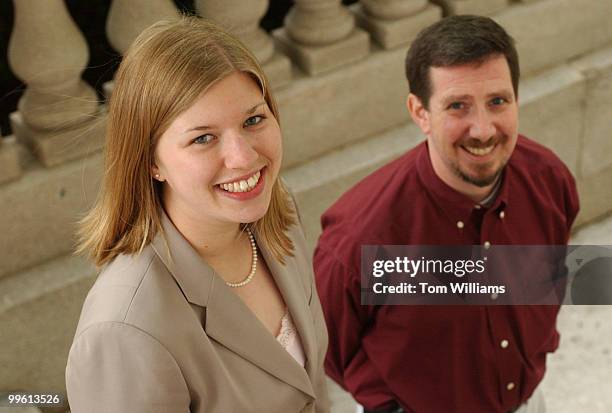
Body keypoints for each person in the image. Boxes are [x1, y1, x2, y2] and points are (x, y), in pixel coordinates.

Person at [314, 15, 579, 413]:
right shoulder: (361, 236)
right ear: (420, 112)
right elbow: (326, 345)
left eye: (497, 101)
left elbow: (553, 278)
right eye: (458, 106)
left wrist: (538, 347)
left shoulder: (549, 180)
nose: (483, 130)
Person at [66, 17, 329, 413]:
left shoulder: (279, 210)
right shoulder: (123, 328)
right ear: (152, 162)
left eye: (253, 119)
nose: (243, 158)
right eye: (203, 138)